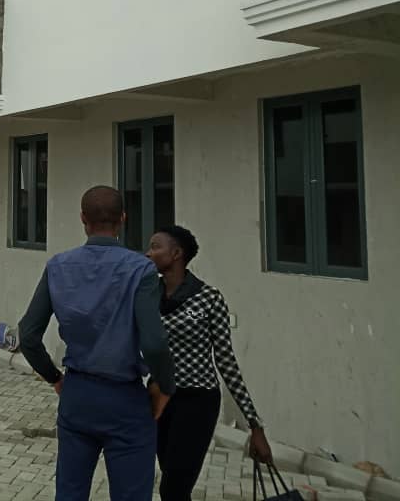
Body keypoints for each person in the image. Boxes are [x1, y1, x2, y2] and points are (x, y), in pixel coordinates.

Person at [19, 186, 176, 501]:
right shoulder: (140, 269)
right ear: (123, 219)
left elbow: (28, 335)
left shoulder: (58, 266)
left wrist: (55, 378)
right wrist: (165, 386)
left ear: (82, 219)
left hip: (77, 395)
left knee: (70, 493)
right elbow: (154, 344)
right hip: (126, 400)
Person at [146, 225, 273, 501]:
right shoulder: (148, 296)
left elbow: (226, 361)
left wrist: (254, 424)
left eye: (155, 247)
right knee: (172, 479)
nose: (148, 253)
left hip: (197, 401)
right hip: (159, 399)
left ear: (176, 253)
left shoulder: (208, 298)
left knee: (173, 488)